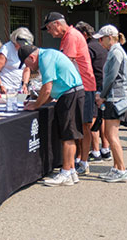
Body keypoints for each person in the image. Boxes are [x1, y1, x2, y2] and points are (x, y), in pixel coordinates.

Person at [21, 44, 84, 186]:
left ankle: (66, 172)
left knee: (68, 135)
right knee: (68, 135)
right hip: (69, 94)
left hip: (70, 95)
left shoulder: (45, 58)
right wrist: (38, 103)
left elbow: (47, 88)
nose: (30, 68)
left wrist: (36, 105)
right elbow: (51, 92)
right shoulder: (48, 54)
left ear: (32, 57)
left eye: (28, 64)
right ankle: (71, 171)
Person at [43, 12, 96, 176]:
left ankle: (83, 161)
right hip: (80, 86)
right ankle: (79, 159)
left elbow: (65, 63)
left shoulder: (72, 36)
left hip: (83, 86)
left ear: (57, 24)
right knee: (79, 126)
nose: (50, 33)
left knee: (83, 126)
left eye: (49, 29)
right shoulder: (67, 36)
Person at [94, 25, 127, 183]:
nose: (100, 42)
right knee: (111, 134)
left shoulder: (115, 52)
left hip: (114, 97)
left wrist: (101, 95)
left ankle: (121, 169)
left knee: (111, 135)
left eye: (101, 39)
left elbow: (111, 77)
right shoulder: (116, 51)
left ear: (110, 38)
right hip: (115, 96)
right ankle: (116, 168)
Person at [75, 21, 111, 163]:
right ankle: (105, 149)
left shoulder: (89, 47)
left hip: (94, 86)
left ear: (84, 34)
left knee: (93, 119)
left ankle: (95, 151)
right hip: (104, 85)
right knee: (101, 118)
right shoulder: (101, 46)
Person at [0, 27, 33, 94]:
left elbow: (26, 69)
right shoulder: (6, 49)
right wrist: (1, 85)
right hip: (5, 87)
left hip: (18, 88)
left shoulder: (27, 50)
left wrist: (25, 84)